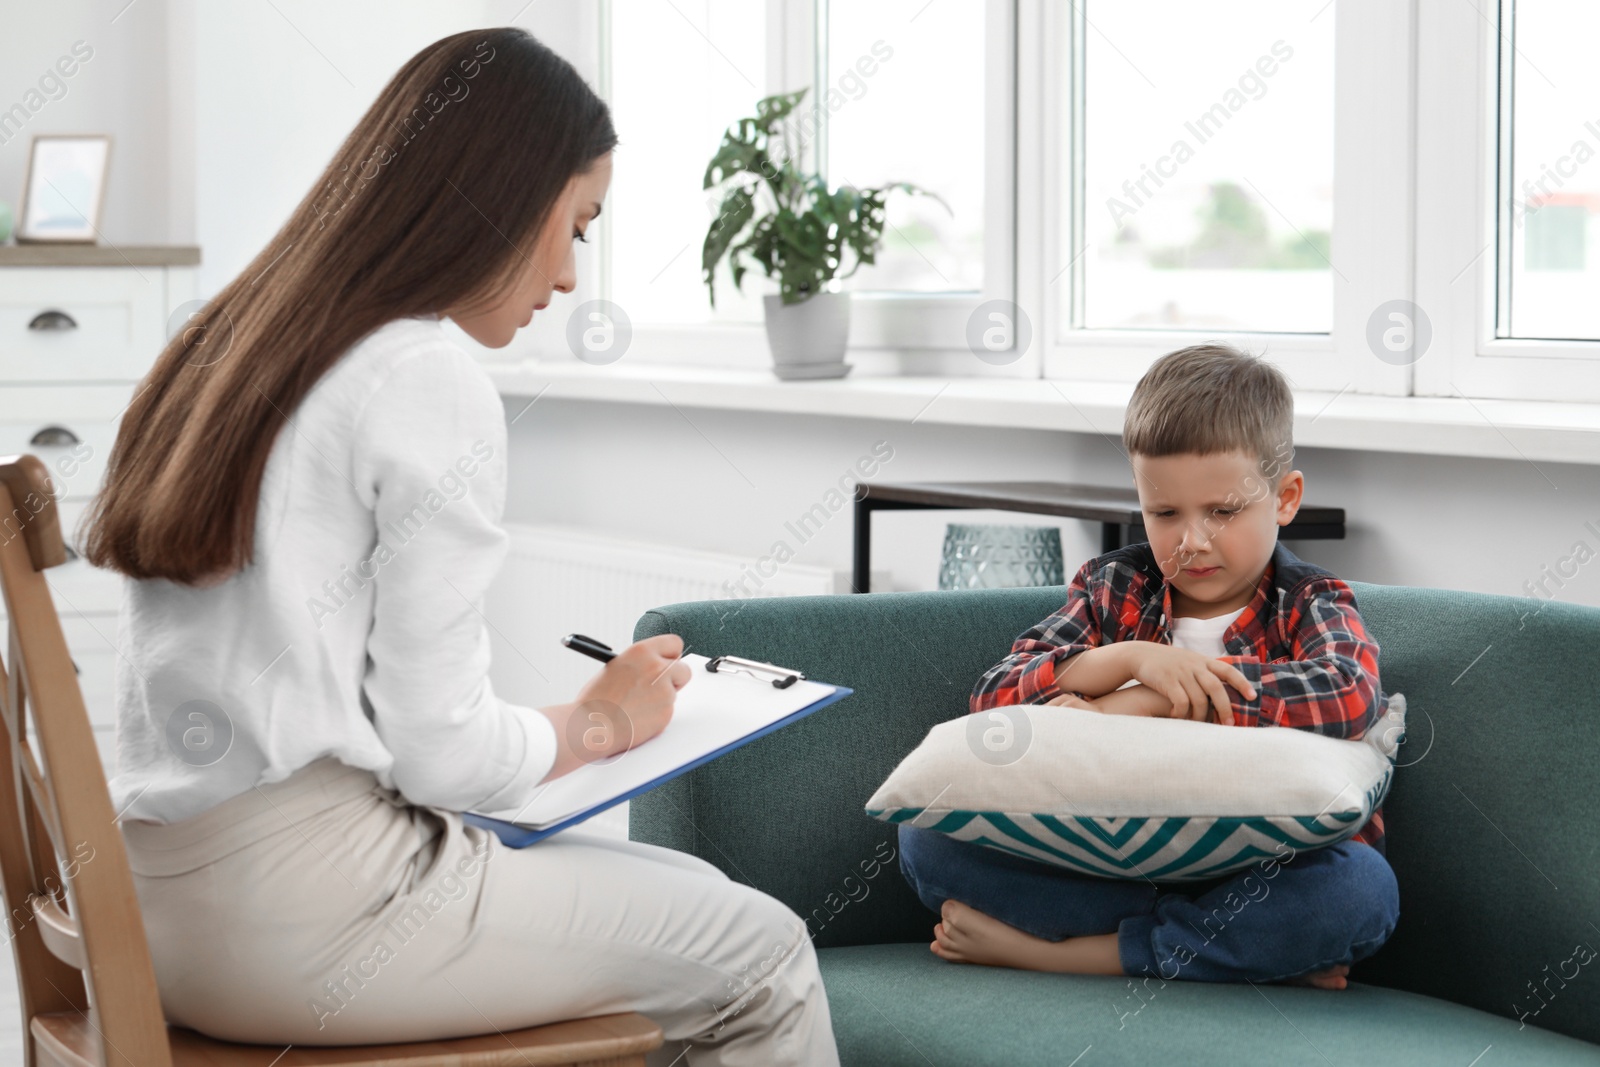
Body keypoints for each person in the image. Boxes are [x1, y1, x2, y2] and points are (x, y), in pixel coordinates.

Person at [83, 27, 838, 1066]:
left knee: (696, 901)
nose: (570, 276)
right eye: (573, 226)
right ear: (497, 195)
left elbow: (366, 723)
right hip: (307, 918)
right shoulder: (417, 376)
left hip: (148, 906)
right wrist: (599, 728)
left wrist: (582, 717)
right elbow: (439, 755)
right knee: (762, 950)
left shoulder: (221, 346)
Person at [895, 343, 1400, 991]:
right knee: (927, 834)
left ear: (1285, 497)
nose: (1192, 540)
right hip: (1112, 862)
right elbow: (993, 693)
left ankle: (1071, 954)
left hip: (1255, 876)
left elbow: (1348, 695)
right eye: (1164, 513)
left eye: (1222, 511)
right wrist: (1126, 659)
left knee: (1359, 892)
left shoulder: (1309, 601)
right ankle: (1237, 953)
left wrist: (1144, 701)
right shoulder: (1113, 588)